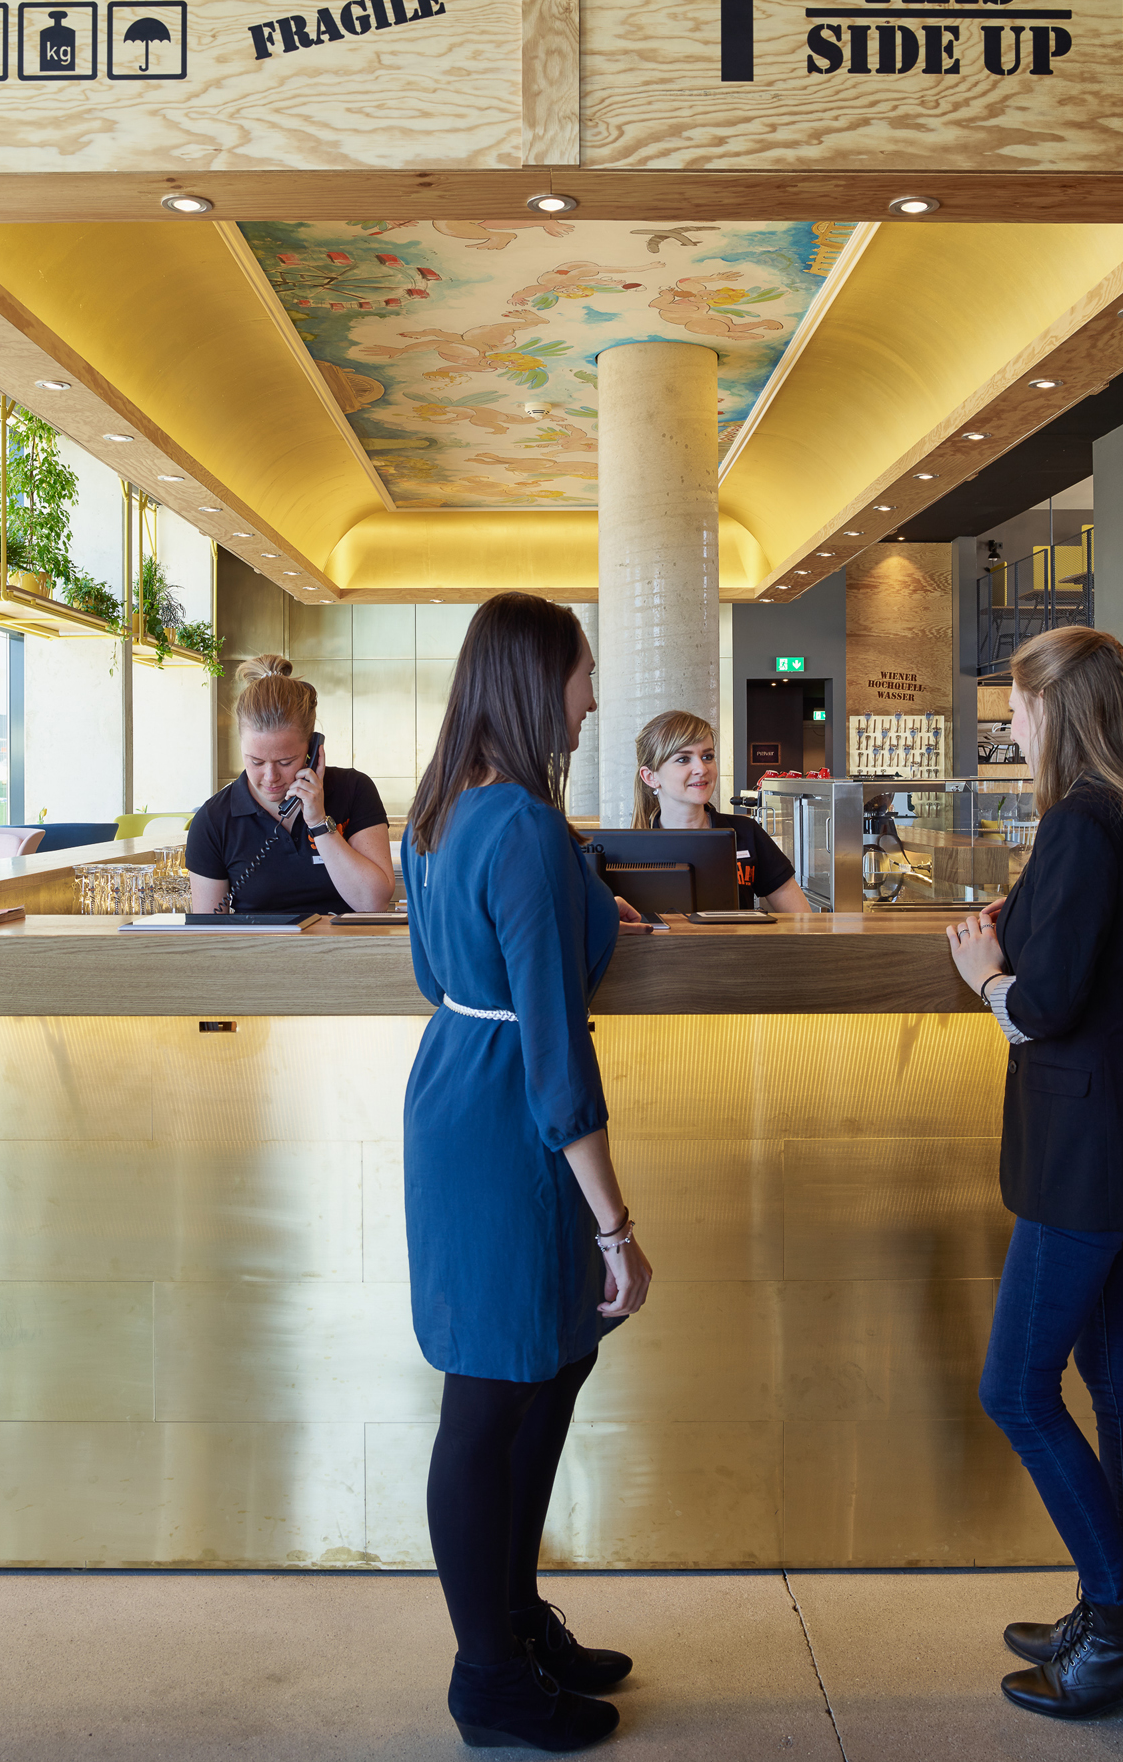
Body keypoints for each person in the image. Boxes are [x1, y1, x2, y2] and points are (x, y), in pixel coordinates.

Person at [944, 626, 1123, 1723]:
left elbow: (1044, 1006)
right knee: (1115, 1376)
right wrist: (1020, 928)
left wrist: (984, 975)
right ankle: (1120, 1617)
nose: (1009, 723)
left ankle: (1118, 1629)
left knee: (1015, 1388)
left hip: (1088, 1149)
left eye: (1015, 705)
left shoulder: (1075, 823)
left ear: (1055, 709)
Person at [401, 592, 652, 1754]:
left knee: (546, 1365)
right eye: (582, 673)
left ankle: (510, 1622)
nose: (591, 696)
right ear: (535, 681)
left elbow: (432, 970)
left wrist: (583, 902)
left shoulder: (441, 809)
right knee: (492, 1392)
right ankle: (487, 1674)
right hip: (514, 1120)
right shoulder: (523, 828)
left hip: (458, 1089)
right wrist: (614, 1225)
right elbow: (554, 1045)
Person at [186, 655, 394, 915]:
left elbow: (374, 904)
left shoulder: (354, 790)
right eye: (256, 761)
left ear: (313, 750)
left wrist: (319, 823)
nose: (270, 776)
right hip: (259, 944)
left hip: (347, 942)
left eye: (285, 762)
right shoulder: (213, 820)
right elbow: (208, 931)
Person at [632, 709, 813, 912]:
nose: (702, 768)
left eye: (707, 756)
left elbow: (801, 919)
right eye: (683, 759)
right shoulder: (632, 850)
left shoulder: (746, 832)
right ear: (650, 777)